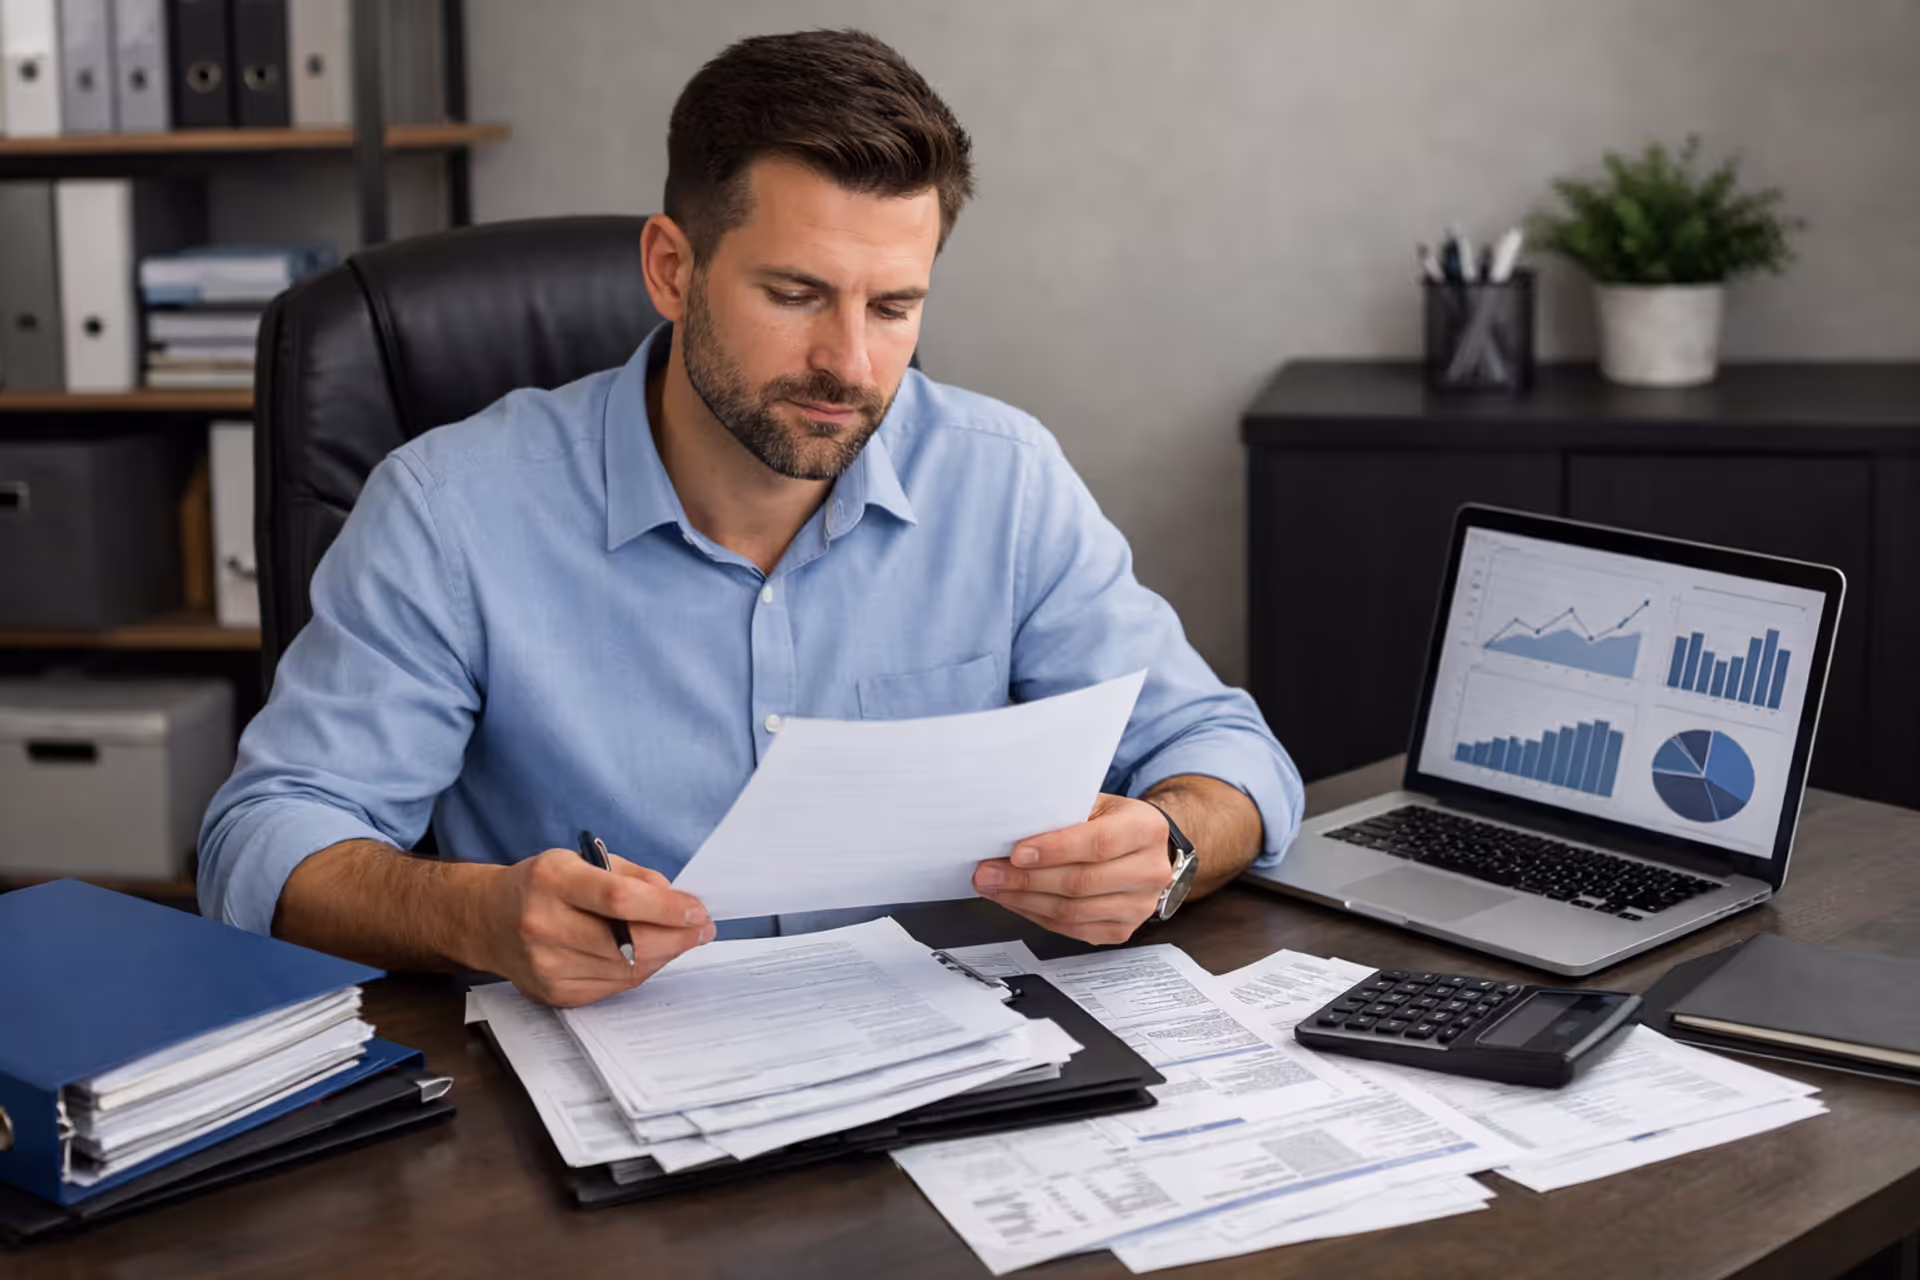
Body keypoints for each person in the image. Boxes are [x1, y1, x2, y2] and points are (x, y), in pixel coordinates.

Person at [198, 29, 1303, 1008]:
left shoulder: (1002, 481)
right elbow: (267, 841)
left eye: (894, 306)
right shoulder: (449, 511)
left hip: (951, 1085)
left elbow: (1228, 754)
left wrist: (1166, 843)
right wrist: (475, 913)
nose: (850, 362)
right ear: (672, 268)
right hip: (596, 1122)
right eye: (795, 294)